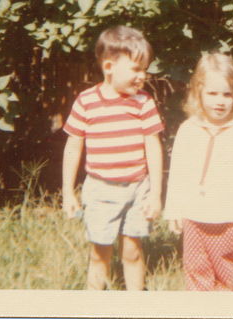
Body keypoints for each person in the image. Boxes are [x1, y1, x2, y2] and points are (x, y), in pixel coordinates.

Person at [62, 25, 164, 290]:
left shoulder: (144, 102)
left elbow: (153, 147)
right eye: (136, 69)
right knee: (100, 254)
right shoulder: (86, 102)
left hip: (138, 189)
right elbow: (73, 147)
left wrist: (155, 195)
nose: (142, 76)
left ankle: (135, 306)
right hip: (100, 190)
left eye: (145, 69)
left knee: (132, 251)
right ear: (109, 67)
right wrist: (67, 192)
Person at [164, 52, 233, 291]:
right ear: (198, 92)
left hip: (230, 215)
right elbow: (178, 173)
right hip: (194, 214)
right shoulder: (189, 129)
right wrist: (174, 210)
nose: (219, 101)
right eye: (212, 93)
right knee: (196, 268)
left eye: (227, 94)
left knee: (227, 269)